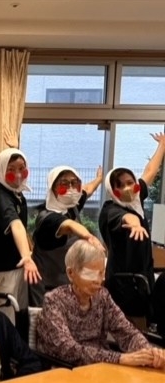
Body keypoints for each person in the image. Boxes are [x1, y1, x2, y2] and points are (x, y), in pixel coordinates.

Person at [36, 239, 165, 368]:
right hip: (67, 370)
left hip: (103, 367)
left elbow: (127, 332)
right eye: (90, 274)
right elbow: (67, 349)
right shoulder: (54, 301)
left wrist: (148, 352)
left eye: (101, 273)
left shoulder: (102, 296)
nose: (98, 281)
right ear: (71, 273)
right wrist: (119, 358)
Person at [98, 132, 165, 330]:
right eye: (120, 185)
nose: (127, 188)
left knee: (142, 327)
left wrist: (162, 145)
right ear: (112, 190)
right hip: (123, 284)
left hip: (142, 278)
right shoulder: (110, 209)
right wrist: (135, 224)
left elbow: (150, 171)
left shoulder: (136, 199)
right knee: (127, 330)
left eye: (130, 183)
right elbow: (125, 218)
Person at [29, 165, 104, 306]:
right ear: (53, 188)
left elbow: (88, 190)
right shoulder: (47, 218)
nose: (71, 188)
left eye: (74, 183)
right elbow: (69, 225)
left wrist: (99, 179)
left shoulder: (71, 206)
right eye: (64, 184)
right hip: (47, 287)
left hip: (66, 283)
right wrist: (89, 237)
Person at [0, 140, 41, 325]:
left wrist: (28, 253)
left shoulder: (17, 194)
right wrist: (27, 257)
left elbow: (22, 228)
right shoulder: (1, 197)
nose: (17, 174)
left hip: (16, 266)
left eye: (22, 169)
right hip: (2, 270)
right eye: (11, 169)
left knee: (19, 312)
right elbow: (16, 225)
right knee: (4, 318)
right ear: (1, 170)